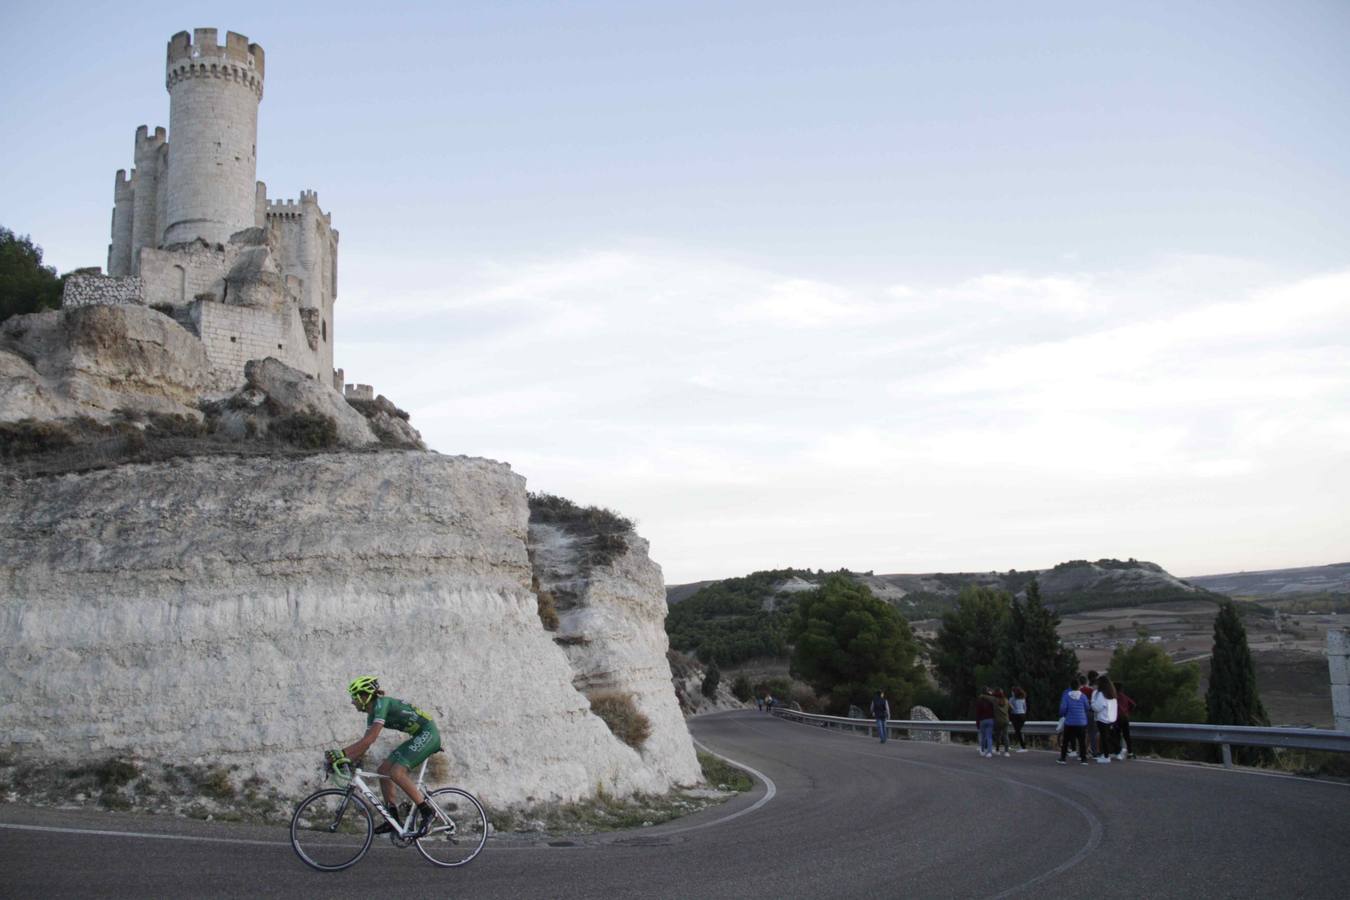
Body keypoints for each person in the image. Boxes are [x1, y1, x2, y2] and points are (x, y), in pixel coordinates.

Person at [329, 676, 442, 836]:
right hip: (419, 735)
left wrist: (342, 753)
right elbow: (365, 745)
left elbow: (370, 738)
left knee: (396, 772)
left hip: (428, 734)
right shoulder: (373, 714)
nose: (352, 702)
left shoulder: (382, 704)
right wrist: (344, 760)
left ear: (364, 696)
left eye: (355, 697)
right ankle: (392, 819)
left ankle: (427, 812)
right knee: (383, 770)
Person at [1058, 678, 1090, 765]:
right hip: (1081, 722)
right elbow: (1087, 707)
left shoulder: (1066, 696)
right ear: (1079, 686)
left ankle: (1063, 758)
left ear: (1070, 686)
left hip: (1070, 722)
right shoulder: (1083, 696)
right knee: (1082, 741)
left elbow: (1063, 708)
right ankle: (1083, 759)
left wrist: (1063, 715)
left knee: (1066, 741)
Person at [1091, 674, 1119, 764]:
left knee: (1104, 738)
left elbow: (1097, 707)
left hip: (1102, 719)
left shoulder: (1101, 694)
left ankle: (1106, 756)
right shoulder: (1112, 693)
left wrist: (1092, 704)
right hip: (1111, 718)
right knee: (1108, 737)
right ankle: (1115, 751)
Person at [1115, 683, 1137, 759]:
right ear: (1121, 689)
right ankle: (1130, 752)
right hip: (1125, 718)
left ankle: (1118, 752)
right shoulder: (1124, 696)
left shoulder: (1114, 697)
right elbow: (1133, 704)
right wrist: (1128, 712)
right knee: (1127, 735)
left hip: (1117, 718)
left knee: (1116, 735)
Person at [975, 687, 996, 758]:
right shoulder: (991, 701)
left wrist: (977, 722)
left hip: (982, 720)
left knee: (983, 737)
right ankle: (989, 752)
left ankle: (982, 750)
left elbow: (978, 713)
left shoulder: (979, 701)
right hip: (990, 719)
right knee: (989, 737)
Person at [1081, 672, 1099, 758]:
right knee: (1092, 733)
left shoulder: (1082, 689)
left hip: (1082, 713)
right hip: (1091, 712)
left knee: (1086, 733)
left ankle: (1083, 750)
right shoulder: (1093, 690)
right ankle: (1093, 751)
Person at [1009, 686, 1029, 752]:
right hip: (1023, 715)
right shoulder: (1023, 698)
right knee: (1018, 731)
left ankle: (1023, 747)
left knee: (1017, 731)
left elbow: (1011, 708)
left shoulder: (1012, 699)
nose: (1011, 693)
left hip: (1015, 716)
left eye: (1012, 691)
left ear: (1014, 692)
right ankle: (1020, 745)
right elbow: (1025, 708)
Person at [992, 689, 1011, 757]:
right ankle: (1006, 752)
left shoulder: (994, 701)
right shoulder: (1006, 700)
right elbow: (1011, 708)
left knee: (998, 736)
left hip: (997, 720)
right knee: (1006, 735)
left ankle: (997, 750)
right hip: (1006, 720)